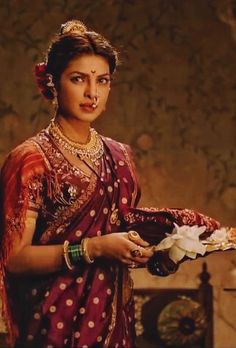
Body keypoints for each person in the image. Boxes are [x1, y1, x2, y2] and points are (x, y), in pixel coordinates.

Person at [0, 20, 154, 348]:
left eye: (102, 81)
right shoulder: (30, 159)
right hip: (52, 327)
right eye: (78, 79)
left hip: (114, 325)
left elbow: (125, 228)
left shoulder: (121, 156)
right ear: (52, 83)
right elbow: (14, 259)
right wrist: (92, 248)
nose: (92, 93)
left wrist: (155, 251)